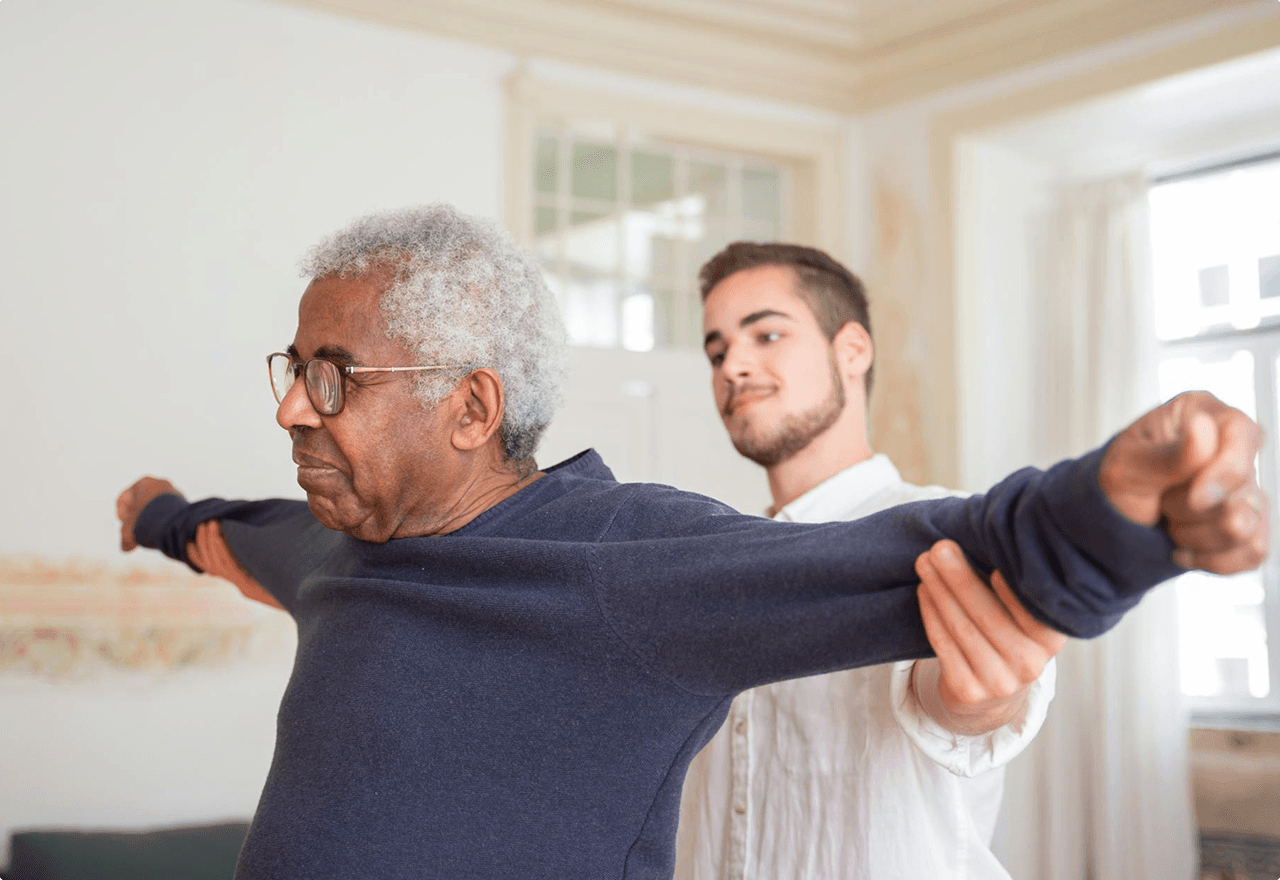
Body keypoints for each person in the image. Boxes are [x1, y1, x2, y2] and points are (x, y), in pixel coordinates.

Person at [115, 205, 1266, 880]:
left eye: (332, 378)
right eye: (715, 343)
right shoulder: (332, 553)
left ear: (470, 409)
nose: (291, 409)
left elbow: (935, 550)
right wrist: (160, 515)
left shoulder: (627, 561)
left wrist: (1126, 509)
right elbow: (238, 536)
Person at [677, 242, 1063, 880]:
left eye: (766, 334)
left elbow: (965, 706)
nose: (733, 366)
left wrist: (980, 700)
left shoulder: (946, 536)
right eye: (717, 351)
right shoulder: (710, 563)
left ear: (852, 350)